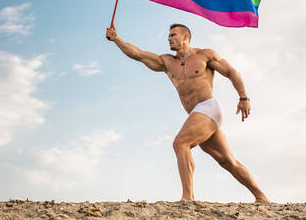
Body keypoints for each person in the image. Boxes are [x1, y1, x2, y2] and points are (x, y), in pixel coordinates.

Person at [106, 23, 270, 203]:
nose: (168, 38)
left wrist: (243, 98)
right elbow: (137, 54)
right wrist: (116, 39)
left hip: (209, 107)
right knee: (227, 161)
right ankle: (261, 197)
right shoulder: (167, 62)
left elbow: (232, 72)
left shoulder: (205, 55)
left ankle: (187, 197)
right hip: (197, 115)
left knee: (180, 143)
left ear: (185, 37)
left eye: (173, 35)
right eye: (168, 36)